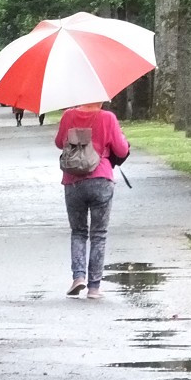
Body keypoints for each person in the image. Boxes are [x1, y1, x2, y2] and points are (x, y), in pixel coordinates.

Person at [54, 100, 129, 300]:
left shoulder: (68, 116)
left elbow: (59, 142)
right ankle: (94, 287)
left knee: (78, 232)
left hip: (73, 181)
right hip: (101, 179)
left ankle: (78, 277)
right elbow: (121, 150)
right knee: (99, 234)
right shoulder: (108, 118)